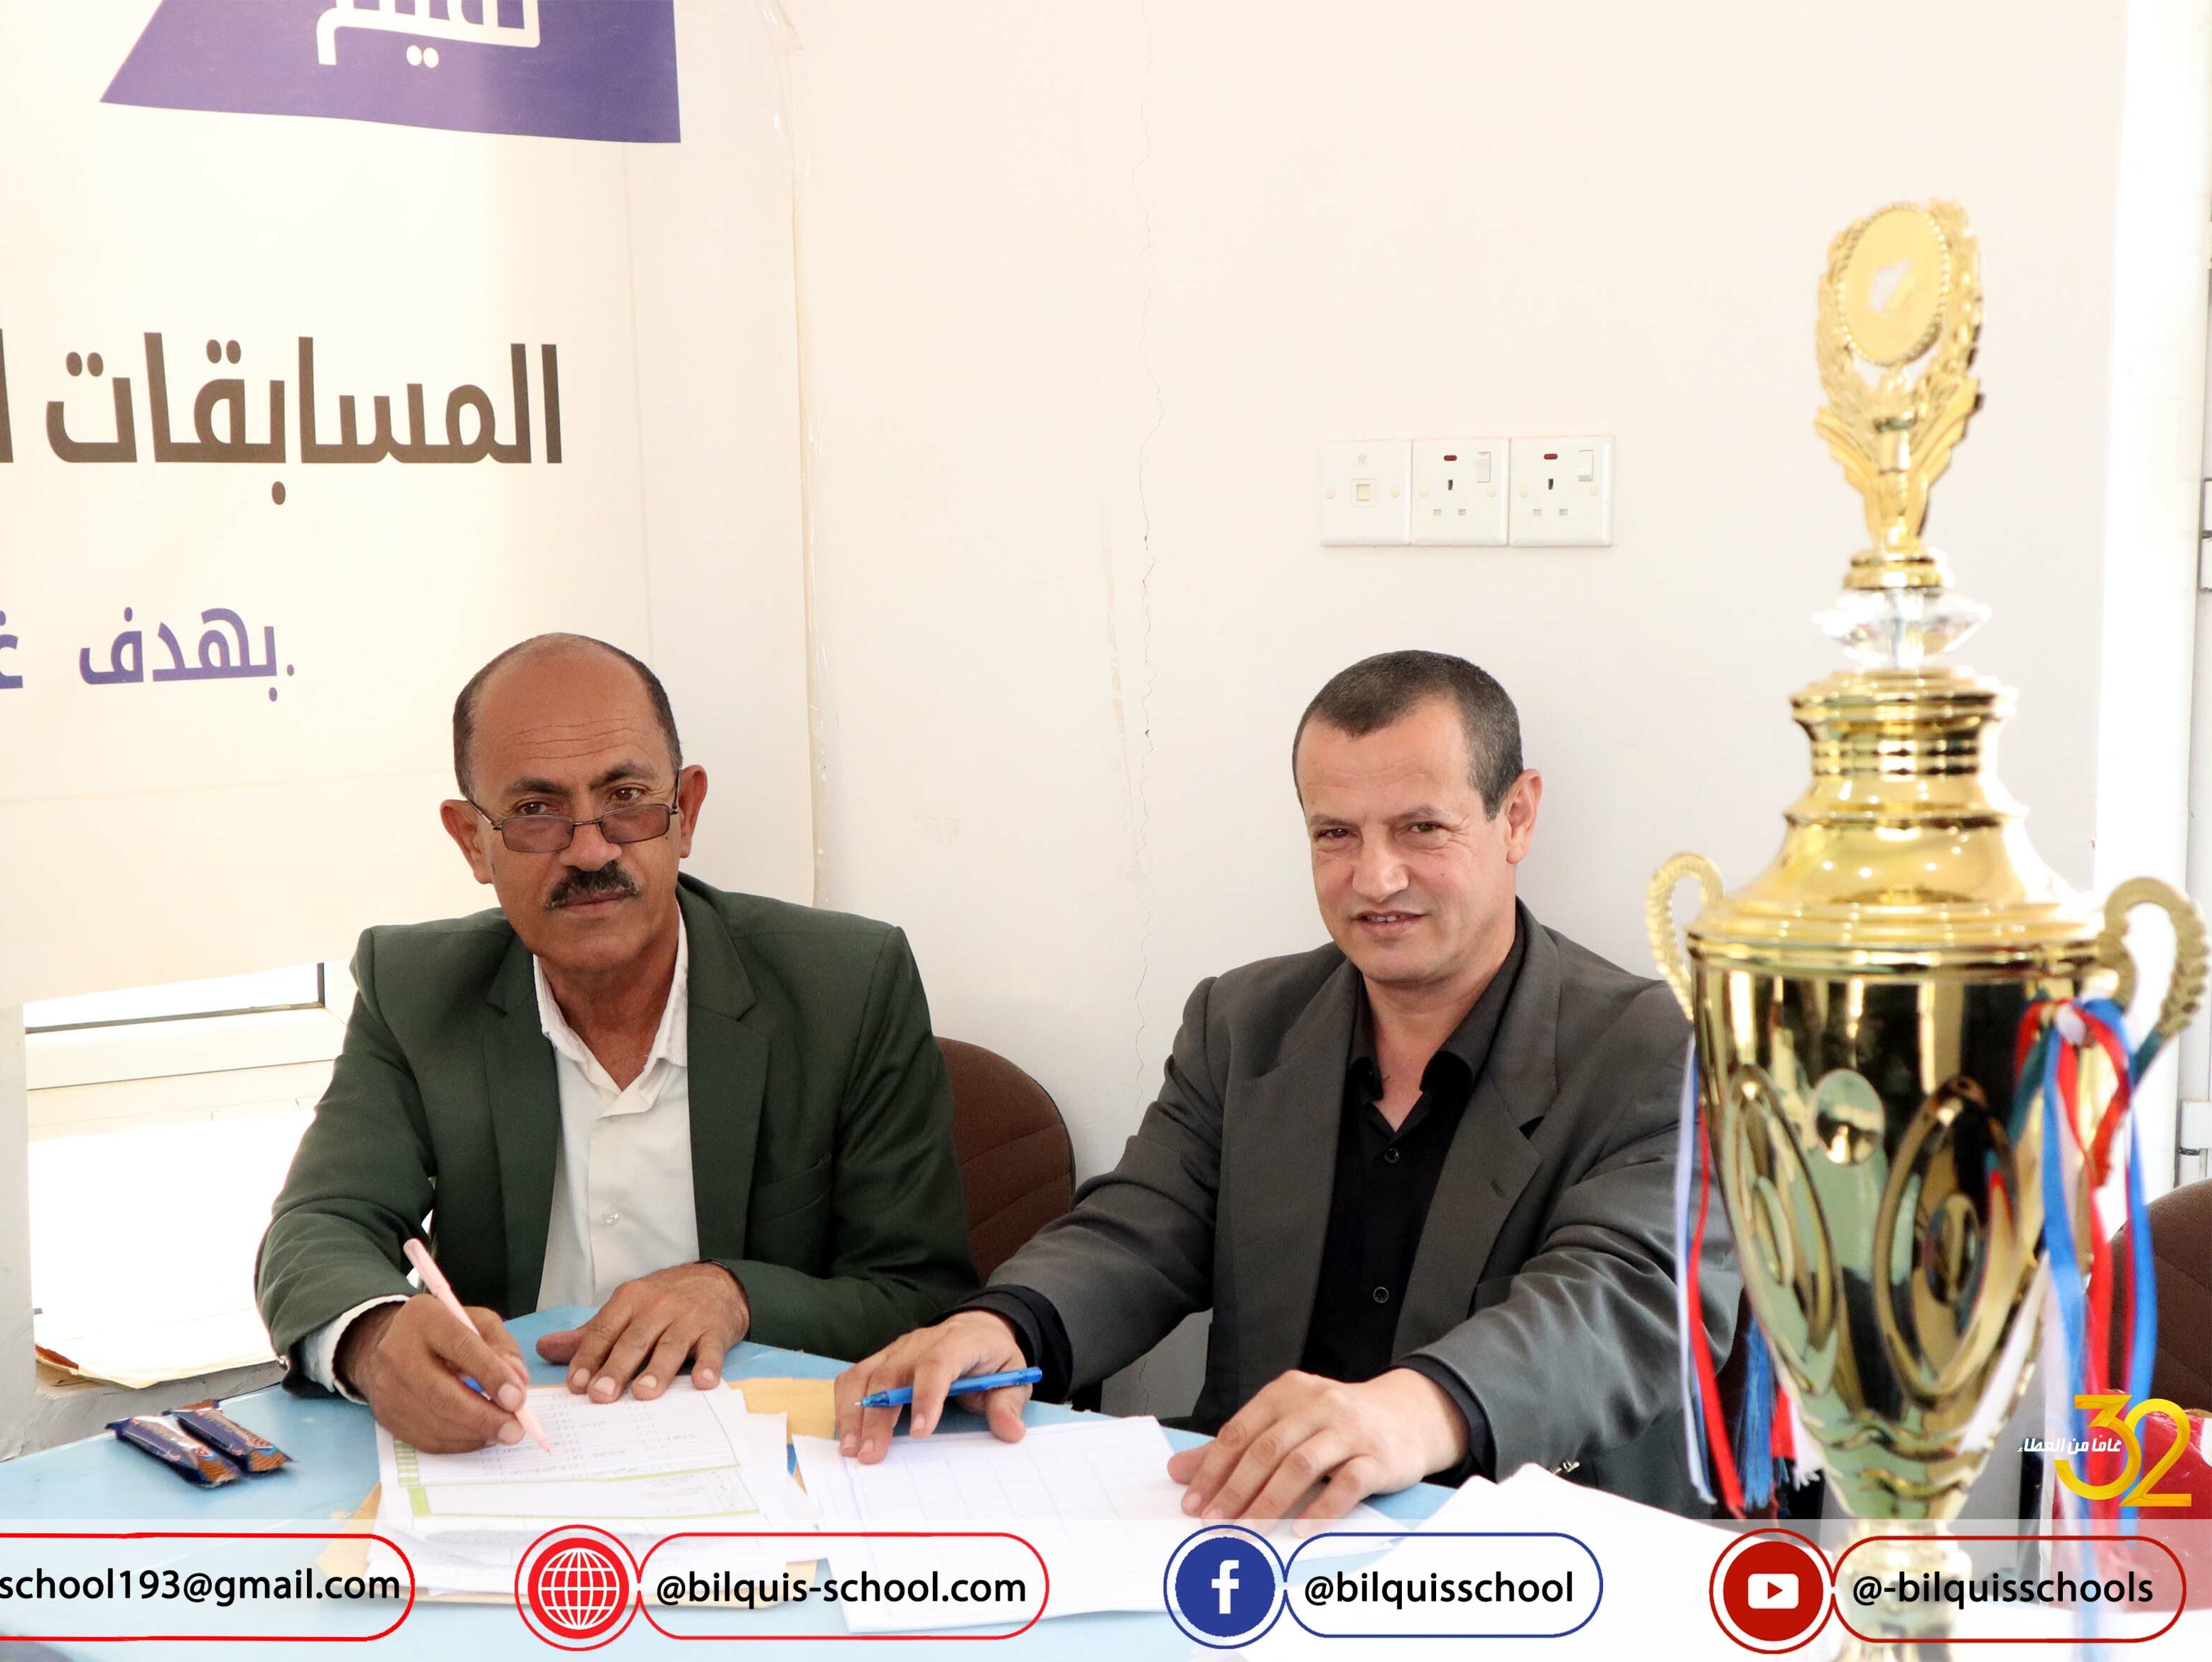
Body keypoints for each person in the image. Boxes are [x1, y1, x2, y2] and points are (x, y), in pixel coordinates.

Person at [834, 651, 1737, 1517]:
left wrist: (1419, 1406)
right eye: (1335, 834)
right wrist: (1008, 1324)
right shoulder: (1242, 1021)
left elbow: (1628, 1297)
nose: (1375, 877)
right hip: (1256, 1520)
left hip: (1521, 1544)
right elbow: (1140, 1227)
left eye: (1421, 828)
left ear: (1517, 817)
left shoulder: (1658, 1049)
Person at [259, 634, 976, 1452]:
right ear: (471, 840)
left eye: (626, 796)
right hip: (514, 1450)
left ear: (686, 812)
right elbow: (320, 1224)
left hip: (768, 1453)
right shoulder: (417, 988)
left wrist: (738, 1294)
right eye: (536, 812)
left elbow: (920, 1294)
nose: (591, 848)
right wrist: (374, 1336)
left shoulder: (846, 985)